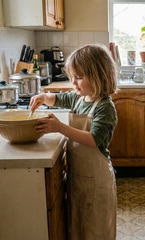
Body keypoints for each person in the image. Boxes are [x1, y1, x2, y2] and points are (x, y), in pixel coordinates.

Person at [29, 44, 118, 240]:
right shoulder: (80, 98)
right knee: (79, 227)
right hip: (78, 179)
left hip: (98, 183)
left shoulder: (105, 107)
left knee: (96, 230)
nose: (73, 82)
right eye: (72, 77)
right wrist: (43, 97)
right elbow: (59, 98)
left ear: (98, 76)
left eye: (79, 77)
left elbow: (93, 140)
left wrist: (60, 127)